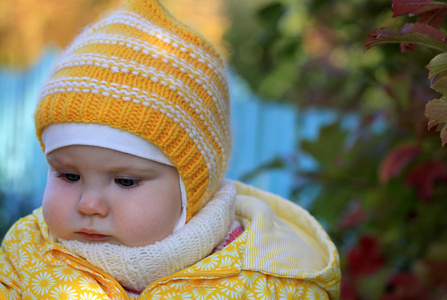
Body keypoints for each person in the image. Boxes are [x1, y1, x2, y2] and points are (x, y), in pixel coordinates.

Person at [0, 0, 341, 299]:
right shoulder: (27, 258)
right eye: (69, 175)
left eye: (125, 181)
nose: (89, 204)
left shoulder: (265, 281)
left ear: (192, 190)